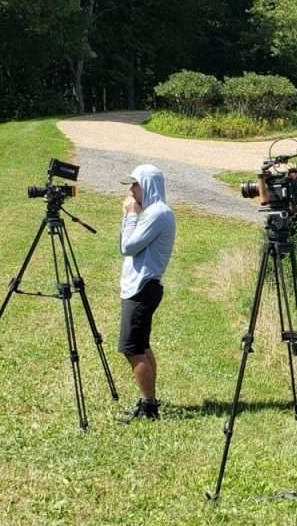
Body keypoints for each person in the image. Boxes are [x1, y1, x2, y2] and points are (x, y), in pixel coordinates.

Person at [117, 164, 175, 423]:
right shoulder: (151, 212)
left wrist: (130, 214)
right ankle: (148, 400)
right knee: (141, 345)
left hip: (143, 287)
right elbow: (126, 242)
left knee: (132, 348)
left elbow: (127, 247)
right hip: (142, 285)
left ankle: (149, 405)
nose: (131, 190)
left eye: (135, 184)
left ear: (147, 185)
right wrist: (130, 215)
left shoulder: (157, 213)